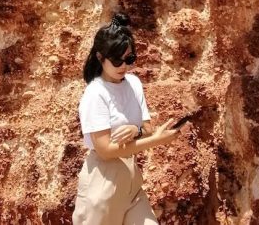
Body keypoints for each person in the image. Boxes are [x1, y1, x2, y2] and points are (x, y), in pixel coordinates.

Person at [72, 13, 181, 225]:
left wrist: (135, 130)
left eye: (129, 59)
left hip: (131, 183)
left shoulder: (134, 83)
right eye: (116, 60)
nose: (123, 65)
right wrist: (157, 141)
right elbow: (105, 150)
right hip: (102, 184)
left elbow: (147, 127)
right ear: (100, 57)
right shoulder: (95, 94)